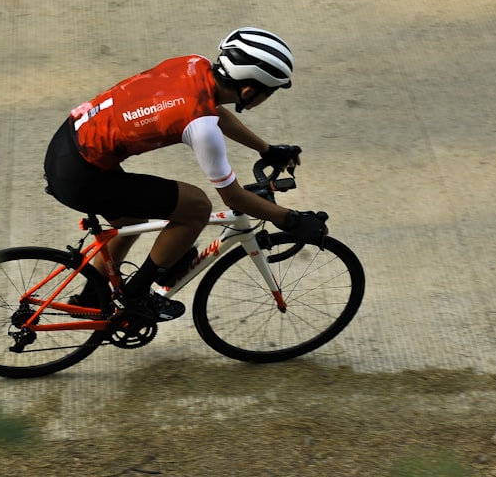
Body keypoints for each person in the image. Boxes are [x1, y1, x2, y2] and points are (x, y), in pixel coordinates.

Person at [43, 27, 327, 322]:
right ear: (248, 90)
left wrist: (266, 149)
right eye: (269, 92)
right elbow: (233, 197)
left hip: (70, 144)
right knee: (197, 207)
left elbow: (213, 109)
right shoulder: (201, 128)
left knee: (130, 220)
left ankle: (93, 296)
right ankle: (136, 295)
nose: (267, 98)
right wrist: (291, 219)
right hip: (81, 175)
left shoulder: (194, 64)